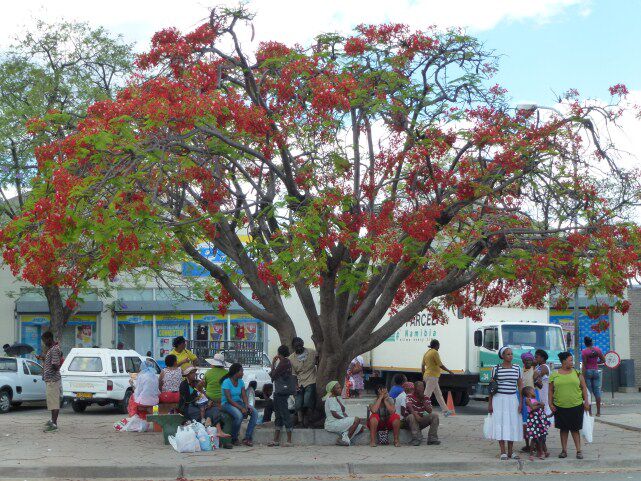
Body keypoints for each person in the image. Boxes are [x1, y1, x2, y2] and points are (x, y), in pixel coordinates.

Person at [549, 351, 590, 459]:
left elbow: (584, 388)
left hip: (576, 405)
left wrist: (586, 402)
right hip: (559, 406)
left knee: (575, 429)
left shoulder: (577, 373)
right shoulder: (554, 374)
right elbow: (550, 390)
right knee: (563, 429)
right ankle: (564, 451)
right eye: (570, 360)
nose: (572, 362)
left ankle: (578, 451)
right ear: (563, 361)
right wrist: (550, 403)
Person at [488, 346, 523, 460]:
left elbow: (520, 386)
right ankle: (503, 452)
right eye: (508, 354)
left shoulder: (517, 368)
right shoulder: (495, 369)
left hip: (512, 399)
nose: (510, 356)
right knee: (500, 424)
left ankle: (511, 452)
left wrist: (521, 402)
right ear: (502, 356)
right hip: (499, 400)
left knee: (512, 424)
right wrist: (490, 404)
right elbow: (491, 388)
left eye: (511, 354)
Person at [178, 366, 229, 437]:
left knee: (214, 409)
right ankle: (205, 426)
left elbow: (203, 392)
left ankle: (219, 431)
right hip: (188, 406)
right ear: (188, 375)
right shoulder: (183, 384)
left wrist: (209, 400)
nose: (194, 374)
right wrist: (196, 390)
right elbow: (187, 400)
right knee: (200, 412)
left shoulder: (197, 382)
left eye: (195, 373)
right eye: (192, 373)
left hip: (201, 405)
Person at [221, 362, 258, 446]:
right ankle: (234, 438)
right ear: (236, 372)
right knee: (239, 416)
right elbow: (229, 399)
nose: (243, 373)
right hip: (227, 404)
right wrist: (241, 408)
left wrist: (247, 405)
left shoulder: (240, 381)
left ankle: (247, 438)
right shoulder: (226, 382)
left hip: (238, 402)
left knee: (255, 413)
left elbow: (244, 395)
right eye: (241, 371)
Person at [203, 353, 233, 448]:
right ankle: (221, 434)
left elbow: (205, 386)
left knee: (212, 411)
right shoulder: (227, 374)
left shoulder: (208, 373)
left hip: (211, 401)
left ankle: (218, 433)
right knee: (215, 411)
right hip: (222, 402)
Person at [268, 345, 295, 446]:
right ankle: (276, 440)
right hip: (281, 392)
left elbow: (273, 375)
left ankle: (289, 440)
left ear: (279, 353)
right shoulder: (287, 362)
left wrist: (273, 363)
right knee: (279, 415)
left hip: (281, 392)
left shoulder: (283, 363)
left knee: (283, 414)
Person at [323, 381, 363, 446]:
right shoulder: (331, 399)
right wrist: (344, 419)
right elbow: (334, 414)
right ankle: (344, 440)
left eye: (340, 387)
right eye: (338, 388)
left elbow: (343, 410)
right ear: (332, 390)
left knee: (361, 428)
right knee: (356, 419)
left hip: (339, 421)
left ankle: (345, 434)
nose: (340, 389)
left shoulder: (337, 398)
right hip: (333, 423)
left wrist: (338, 401)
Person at [289, 337, 317, 427]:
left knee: (307, 401)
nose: (299, 348)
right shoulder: (291, 358)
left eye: (300, 345)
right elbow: (293, 374)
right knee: (298, 404)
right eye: (296, 346)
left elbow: (319, 361)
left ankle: (309, 422)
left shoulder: (312, 352)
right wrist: (295, 385)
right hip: (300, 382)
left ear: (303, 344)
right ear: (293, 347)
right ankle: (300, 422)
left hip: (311, 380)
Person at [422, 340, 454, 417]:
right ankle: (423, 411)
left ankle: (446, 411)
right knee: (427, 394)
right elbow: (440, 365)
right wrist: (449, 371)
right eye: (438, 345)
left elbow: (422, 366)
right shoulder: (434, 352)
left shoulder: (427, 353)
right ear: (436, 345)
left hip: (428, 375)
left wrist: (424, 376)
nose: (439, 347)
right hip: (432, 376)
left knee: (438, 394)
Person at [403, 380, 440, 446]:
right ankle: (416, 439)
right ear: (415, 388)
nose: (421, 388)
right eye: (419, 387)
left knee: (434, 415)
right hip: (409, 421)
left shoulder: (426, 398)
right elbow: (409, 407)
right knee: (412, 416)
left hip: (420, 419)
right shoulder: (409, 396)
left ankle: (432, 438)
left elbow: (429, 411)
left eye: (422, 387)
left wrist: (423, 401)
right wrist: (416, 415)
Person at [41, 331, 62, 432]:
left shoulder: (54, 349)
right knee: (51, 402)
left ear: (49, 339)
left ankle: (54, 425)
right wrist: (44, 359)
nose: (44, 343)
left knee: (54, 403)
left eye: (44, 340)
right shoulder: (52, 349)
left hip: (53, 380)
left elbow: (55, 365)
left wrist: (52, 366)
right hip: (50, 380)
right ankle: (52, 421)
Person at [522, 386, 550, 461]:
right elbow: (532, 408)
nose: (534, 392)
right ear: (528, 392)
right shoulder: (527, 400)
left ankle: (543, 452)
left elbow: (541, 407)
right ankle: (531, 454)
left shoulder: (535, 399)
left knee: (541, 437)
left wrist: (540, 404)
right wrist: (539, 404)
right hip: (533, 421)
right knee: (534, 438)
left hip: (538, 420)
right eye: (533, 391)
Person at [534, 349, 551, 457]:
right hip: (538, 398)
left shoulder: (544, 367)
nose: (535, 359)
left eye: (537, 357)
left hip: (543, 400)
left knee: (541, 425)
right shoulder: (538, 367)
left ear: (543, 358)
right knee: (538, 425)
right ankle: (540, 448)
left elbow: (534, 376)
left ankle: (543, 450)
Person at [582, 336, 605, 417]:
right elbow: (603, 360)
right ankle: (598, 412)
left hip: (588, 371)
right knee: (597, 391)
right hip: (595, 371)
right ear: (592, 342)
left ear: (585, 343)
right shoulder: (597, 350)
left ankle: (590, 412)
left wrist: (582, 376)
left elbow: (584, 364)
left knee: (588, 393)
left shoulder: (584, 352)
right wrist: (596, 363)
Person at [520, 352, 537, 452]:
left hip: (533, 398)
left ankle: (533, 444)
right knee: (525, 423)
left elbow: (539, 384)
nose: (528, 362)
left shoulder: (534, 370)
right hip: (523, 398)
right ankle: (527, 445)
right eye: (526, 360)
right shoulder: (520, 371)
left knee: (534, 421)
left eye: (530, 360)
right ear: (523, 361)